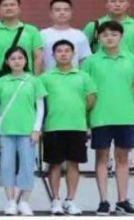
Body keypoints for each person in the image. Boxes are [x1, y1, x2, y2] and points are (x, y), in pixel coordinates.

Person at [81, 21, 134, 216]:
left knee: (122, 158)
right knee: (102, 158)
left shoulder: (132, 59)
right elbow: (86, 91)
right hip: (100, 116)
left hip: (125, 117)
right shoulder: (90, 62)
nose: (109, 38)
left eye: (114, 34)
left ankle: (122, 200)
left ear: (121, 37)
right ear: (99, 38)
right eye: (105, 35)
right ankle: (103, 201)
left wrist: (130, 108)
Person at [40, 40, 97, 216]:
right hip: (53, 126)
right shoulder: (45, 77)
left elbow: (91, 99)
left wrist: (78, 112)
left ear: (73, 54)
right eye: (59, 51)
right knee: (54, 164)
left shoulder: (83, 76)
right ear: (53, 55)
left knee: (74, 163)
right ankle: (55, 200)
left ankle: (70, 200)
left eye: (67, 51)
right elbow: (40, 102)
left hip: (77, 126)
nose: (63, 54)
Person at [0, 47, 46, 216]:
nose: (17, 61)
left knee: (27, 166)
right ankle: (11, 201)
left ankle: (24, 201)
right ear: (7, 62)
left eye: (20, 58)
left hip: (27, 131)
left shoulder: (34, 81)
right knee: (6, 165)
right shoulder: (0, 82)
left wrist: (36, 129)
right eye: (13, 58)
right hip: (5, 130)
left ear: (26, 60)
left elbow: (40, 107)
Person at [82, 0, 134, 91]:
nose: (117, 4)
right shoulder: (94, 26)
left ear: (128, 4)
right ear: (106, 4)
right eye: (113, 1)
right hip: (99, 78)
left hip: (128, 78)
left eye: (121, 1)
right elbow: (81, 53)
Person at [0, 0, 44, 79]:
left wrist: (36, 79)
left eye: (12, 5)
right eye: (5, 5)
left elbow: (37, 56)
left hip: (26, 80)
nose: (9, 8)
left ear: (19, 8)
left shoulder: (32, 31)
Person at [40, 0, 91, 73]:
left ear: (71, 13)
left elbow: (85, 60)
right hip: (49, 77)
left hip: (74, 77)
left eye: (66, 10)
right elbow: (39, 60)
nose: (62, 13)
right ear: (51, 13)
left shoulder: (80, 35)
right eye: (57, 10)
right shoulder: (42, 35)